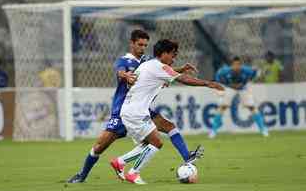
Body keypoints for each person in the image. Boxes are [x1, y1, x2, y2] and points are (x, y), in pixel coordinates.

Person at [67, 30, 202, 183]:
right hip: (122, 111)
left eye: (145, 45)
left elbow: (163, 72)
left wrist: (180, 70)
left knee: (167, 127)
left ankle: (187, 157)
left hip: (142, 109)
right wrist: (125, 76)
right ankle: (82, 175)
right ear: (132, 43)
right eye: (140, 44)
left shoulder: (148, 60)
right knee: (99, 147)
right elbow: (120, 72)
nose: (142, 48)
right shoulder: (124, 60)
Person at [116, 39, 224, 184]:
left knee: (157, 136)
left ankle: (120, 162)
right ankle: (133, 173)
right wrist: (208, 83)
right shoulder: (159, 67)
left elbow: (153, 77)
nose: (174, 58)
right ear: (164, 54)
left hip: (132, 109)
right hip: (136, 111)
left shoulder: (148, 65)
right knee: (156, 143)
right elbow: (183, 79)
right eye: (173, 55)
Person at [209, 56, 269, 138]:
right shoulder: (225, 71)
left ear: (241, 65)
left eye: (238, 65)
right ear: (231, 65)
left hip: (242, 88)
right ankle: (213, 131)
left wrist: (254, 75)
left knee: (252, 107)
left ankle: (263, 129)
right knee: (222, 107)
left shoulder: (247, 70)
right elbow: (217, 77)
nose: (236, 67)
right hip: (230, 88)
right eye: (234, 65)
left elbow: (254, 74)